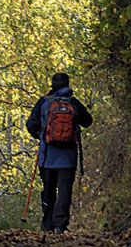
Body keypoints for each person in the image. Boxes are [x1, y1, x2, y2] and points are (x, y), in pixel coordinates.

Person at [26, 72, 93, 234]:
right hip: (68, 157)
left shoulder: (43, 102)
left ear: (52, 84)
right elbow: (88, 122)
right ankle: (60, 224)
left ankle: (47, 222)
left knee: (48, 188)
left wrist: (41, 136)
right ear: (67, 84)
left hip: (47, 155)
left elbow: (30, 124)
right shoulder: (73, 102)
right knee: (64, 189)